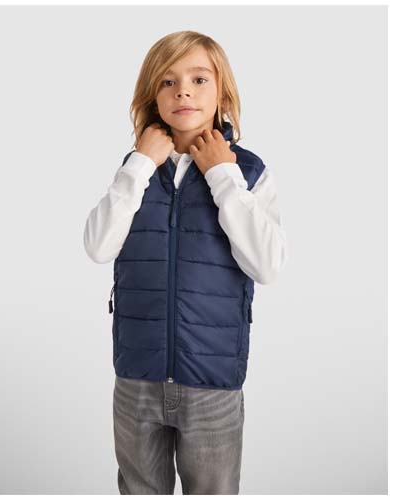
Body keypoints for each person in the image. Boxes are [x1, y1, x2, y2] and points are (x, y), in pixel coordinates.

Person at [83, 30, 287, 495]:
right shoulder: (137, 167)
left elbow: (267, 265)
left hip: (212, 382)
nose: (183, 92)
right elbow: (97, 246)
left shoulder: (248, 172)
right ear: (153, 97)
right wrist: (140, 164)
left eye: (199, 79)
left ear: (222, 94)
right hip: (136, 377)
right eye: (168, 82)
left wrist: (222, 173)